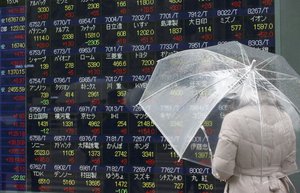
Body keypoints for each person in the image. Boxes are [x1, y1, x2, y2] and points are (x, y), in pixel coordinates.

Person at [212, 90, 297, 193]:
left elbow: (222, 169)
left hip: (243, 188)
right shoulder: (285, 117)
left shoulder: (233, 119)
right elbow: (289, 165)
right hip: (277, 188)